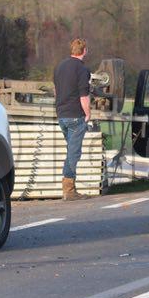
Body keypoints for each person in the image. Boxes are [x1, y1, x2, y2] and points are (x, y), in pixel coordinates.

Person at [53, 38, 92, 201]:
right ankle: (69, 190)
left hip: (62, 114)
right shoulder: (83, 69)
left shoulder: (59, 66)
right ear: (85, 51)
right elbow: (84, 95)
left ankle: (68, 187)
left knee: (71, 151)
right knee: (73, 153)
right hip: (76, 116)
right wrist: (88, 113)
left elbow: (56, 90)